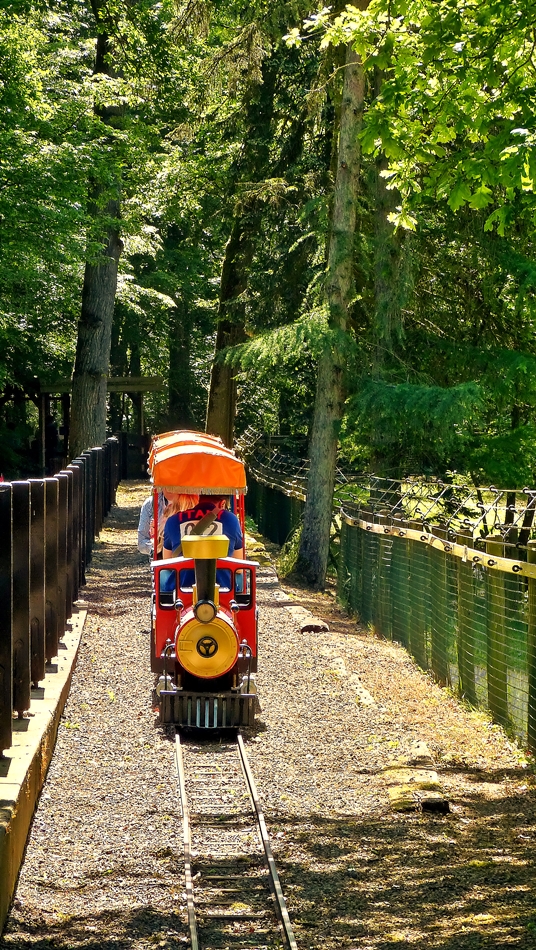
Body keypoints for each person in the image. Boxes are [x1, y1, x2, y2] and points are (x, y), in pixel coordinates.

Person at [163, 493, 243, 589]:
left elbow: (167, 562)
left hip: (181, 589)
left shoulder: (173, 520)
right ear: (222, 503)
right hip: (223, 588)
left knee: (163, 573)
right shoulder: (231, 519)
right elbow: (239, 567)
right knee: (240, 576)